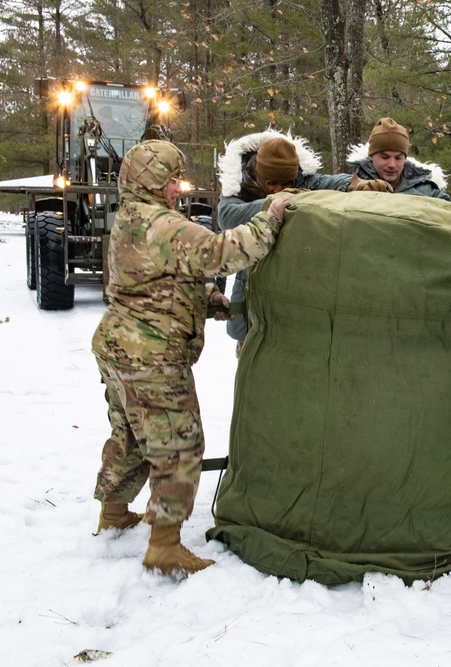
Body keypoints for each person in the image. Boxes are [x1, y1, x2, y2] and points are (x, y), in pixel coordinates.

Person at [92, 139, 294, 577]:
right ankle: (165, 546)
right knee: (178, 446)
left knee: (129, 435)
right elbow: (226, 251)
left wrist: (206, 297)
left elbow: (156, 275)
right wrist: (270, 215)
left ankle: (112, 512)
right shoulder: (162, 223)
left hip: (117, 348)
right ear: (153, 183)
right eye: (169, 182)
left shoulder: (128, 217)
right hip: (152, 358)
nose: (175, 190)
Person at [215, 131, 390, 354]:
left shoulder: (303, 181)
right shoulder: (239, 186)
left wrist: (357, 185)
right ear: (259, 176)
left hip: (293, 302)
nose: (279, 189)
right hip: (252, 303)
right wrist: (278, 202)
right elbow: (228, 216)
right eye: (271, 184)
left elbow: (330, 182)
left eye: (286, 183)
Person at [347, 117, 451, 200]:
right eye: (385, 157)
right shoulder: (356, 183)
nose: (392, 164)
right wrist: (351, 184)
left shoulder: (427, 191)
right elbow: (331, 181)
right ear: (371, 156)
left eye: (398, 158)